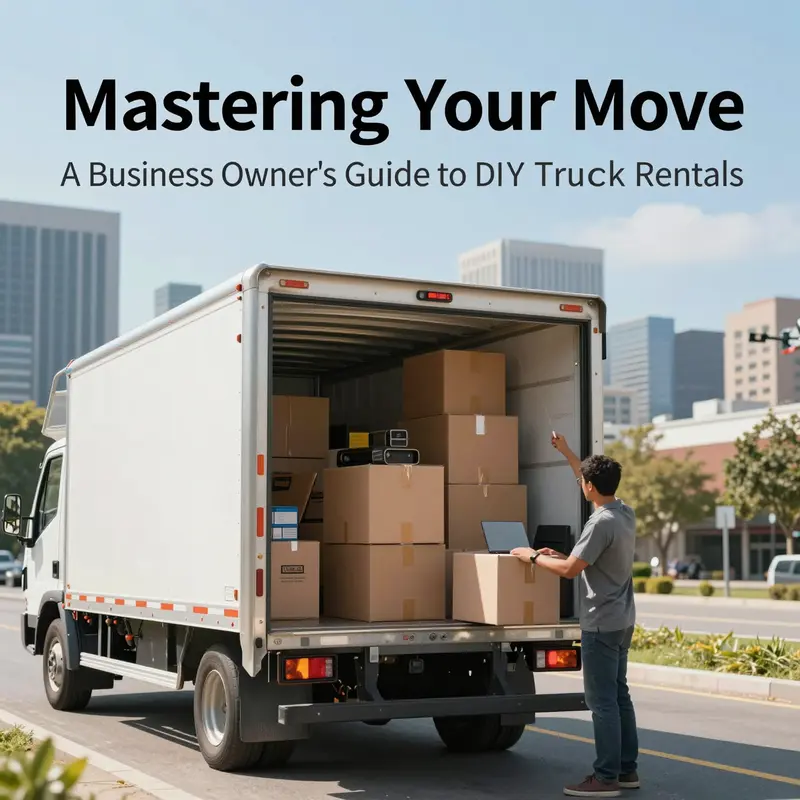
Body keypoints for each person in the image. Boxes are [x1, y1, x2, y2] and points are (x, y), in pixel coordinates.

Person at [511, 432, 639, 798]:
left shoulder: (600, 524)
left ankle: (605, 777)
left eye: (583, 481)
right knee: (619, 696)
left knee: (602, 703)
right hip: (622, 620)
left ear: (591, 487)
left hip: (600, 623)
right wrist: (567, 453)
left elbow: (569, 570)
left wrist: (533, 556)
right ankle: (627, 770)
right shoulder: (622, 511)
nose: (580, 483)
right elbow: (578, 559)